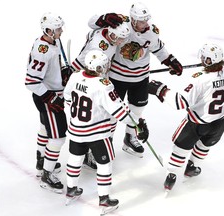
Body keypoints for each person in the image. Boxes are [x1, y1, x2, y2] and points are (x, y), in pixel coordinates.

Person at [87, 2, 183, 158]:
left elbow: (158, 49)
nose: (144, 24)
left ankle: (130, 137)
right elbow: (92, 23)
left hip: (140, 77)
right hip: (117, 77)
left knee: (137, 110)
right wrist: (104, 18)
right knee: (112, 112)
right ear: (132, 19)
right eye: (140, 21)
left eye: (146, 20)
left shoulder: (151, 31)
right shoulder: (121, 24)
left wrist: (170, 61)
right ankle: (107, 140)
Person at [148, 43, 224, 192]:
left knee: (181, 149)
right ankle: (192, 167)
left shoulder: (200, 79)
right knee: (204, 146)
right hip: (220, 122)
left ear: (209, 60)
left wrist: (161, 90)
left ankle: (171, 175)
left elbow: (180, 102)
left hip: (197, 123)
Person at [64, 50, 149, 214]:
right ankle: (104, 200)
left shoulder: (75, 76)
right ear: (99, 67)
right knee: (105, 164)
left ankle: (71, 189)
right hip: (97, 134)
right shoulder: (103, 85)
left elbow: (67, 97)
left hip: (75, 130)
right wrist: (138, 124)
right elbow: (120, 113)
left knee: (75, 158)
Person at [71, 21, 131, 169]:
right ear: (111, 34)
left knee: (107, 118)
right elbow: (84, 59)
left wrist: (103, 17)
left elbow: (92, 23)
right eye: (120, 38)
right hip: (94, 84)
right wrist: (72, 71)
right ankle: (91, 154)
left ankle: (96, 150)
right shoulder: (99, 46)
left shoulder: (106, 35)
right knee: (98, 119)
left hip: (100, 80)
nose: (122, 42)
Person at [25, 12, 70, 193]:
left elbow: (53, 67)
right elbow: (31, 81)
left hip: (52, 93)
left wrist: (63, 72)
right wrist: (50, 98)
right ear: (48, 30)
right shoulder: (41, 51)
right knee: (58, 136)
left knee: (45, 128)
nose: (61, 31)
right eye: (57, 29)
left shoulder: (54, 41)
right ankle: (47, 175)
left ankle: (41, 160)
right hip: (47, 97)